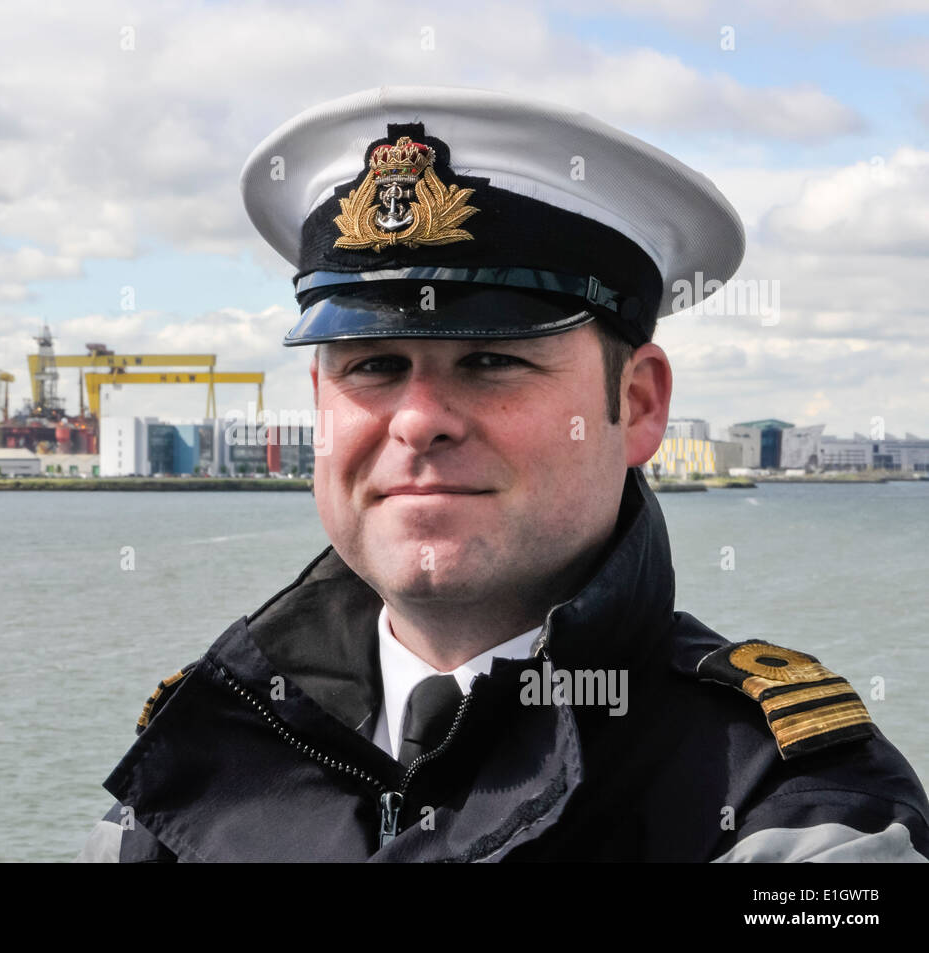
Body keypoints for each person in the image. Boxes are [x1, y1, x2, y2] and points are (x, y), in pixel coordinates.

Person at [77, 87, 929, 862]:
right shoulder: (207, 750)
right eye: (372, 366)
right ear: (318, 402)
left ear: (635, 405)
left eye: (489, 359)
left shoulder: (799, 811)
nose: (418, 419)